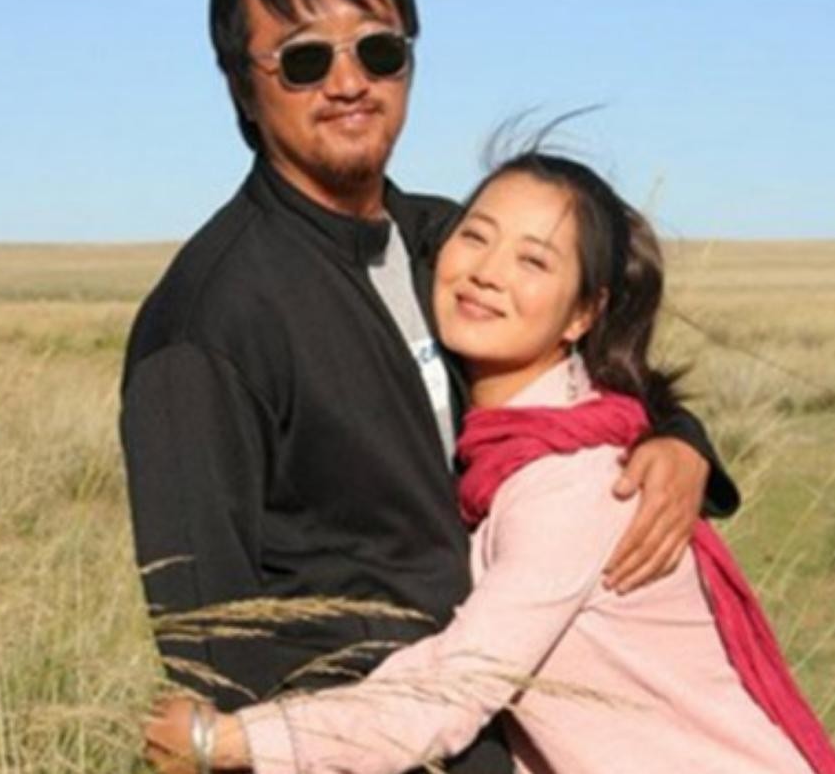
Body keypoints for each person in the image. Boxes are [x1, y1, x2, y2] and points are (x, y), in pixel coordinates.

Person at [121, 0, 736, 770]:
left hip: (518, 730)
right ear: (241, 86)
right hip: (365, 746)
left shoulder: (450, 249)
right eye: (303, 60)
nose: (348, 83)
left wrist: (676, 439)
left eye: (378, 50)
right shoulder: (207, 323)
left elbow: (592, 374)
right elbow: (209, 640)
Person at [144, 148, 835, 774]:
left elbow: (452, 689)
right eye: (475, 236)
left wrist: (230, 740)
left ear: (582, 314)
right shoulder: (517, 444)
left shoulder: (577, 483)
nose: (486, 272)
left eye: (533, 262)